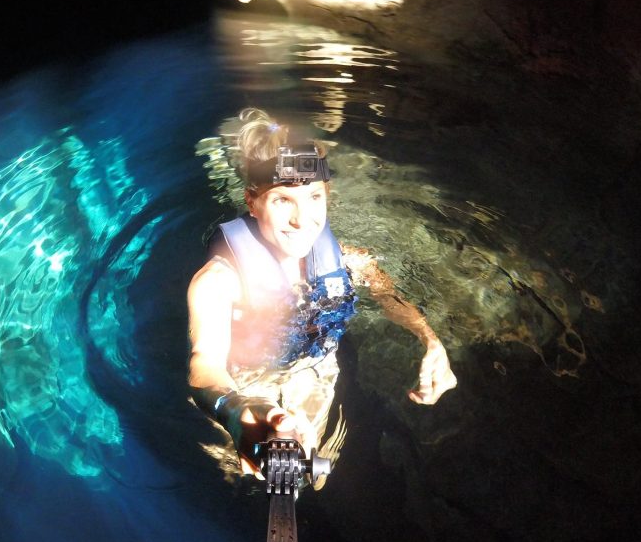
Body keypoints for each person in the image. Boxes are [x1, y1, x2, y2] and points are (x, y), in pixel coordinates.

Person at [188, 109, 456, 480]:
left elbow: (388, 296)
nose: (303, 219)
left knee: (315, 477)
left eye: (314, 197)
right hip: (247, 384)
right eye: (283, 200)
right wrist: (236, 411)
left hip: (315, 368)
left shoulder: (345, 258)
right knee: (247, 477)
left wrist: (431, 341)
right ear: (253, 202)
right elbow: (204, 366)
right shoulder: (218, 281)